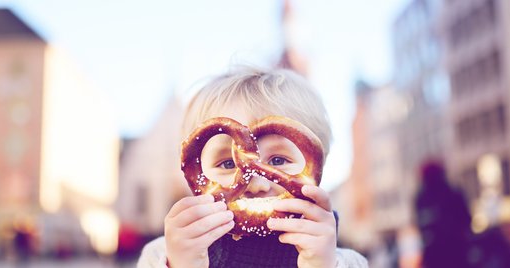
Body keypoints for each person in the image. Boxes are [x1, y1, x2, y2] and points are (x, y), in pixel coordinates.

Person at [138, 67, 368, 267]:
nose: (257, 184)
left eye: (278, 161)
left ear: (316, 167)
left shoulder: (346, 262)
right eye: (228, 163)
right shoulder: (163, 255)